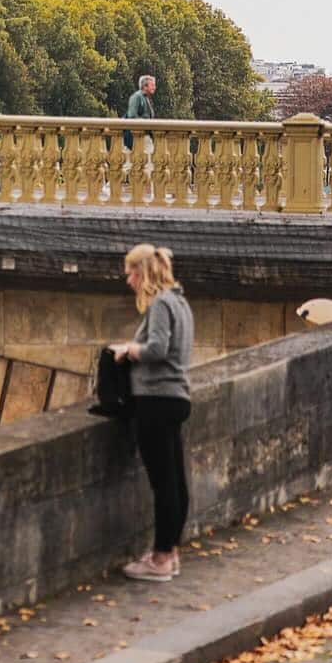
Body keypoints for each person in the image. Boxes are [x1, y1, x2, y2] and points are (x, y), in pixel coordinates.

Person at [109, 243, 193, 582]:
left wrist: (129, 349)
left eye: (131, 272)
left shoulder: (160, 304)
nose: (128, 279)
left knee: (163, 483)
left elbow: (158, 348)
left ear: (144, 273)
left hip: (156, 399)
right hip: (176, 398)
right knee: (175, 481)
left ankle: (159, 559)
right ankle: (170, 552)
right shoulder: (181, 303)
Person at [122, 73, 156, 150]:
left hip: (145, 136)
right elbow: (132, 116)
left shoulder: (147, 98)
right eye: (152, 85)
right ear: (145, 86)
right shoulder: (137, 97)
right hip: (137, 137)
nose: (154, 87)